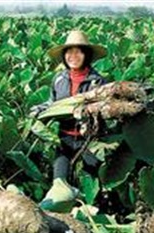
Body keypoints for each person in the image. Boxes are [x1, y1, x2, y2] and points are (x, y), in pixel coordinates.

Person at [31, 30, 108, 182]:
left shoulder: (97, 82)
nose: (73, 56)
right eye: (69, 52)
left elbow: (104, 110)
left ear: (86, 55)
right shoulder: (59, 79)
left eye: (78, 52)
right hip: (64, 139)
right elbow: (52, 103)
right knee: (60, 182)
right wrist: (38, 110)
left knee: (92, 183)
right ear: (64, 56)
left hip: (89, 140)